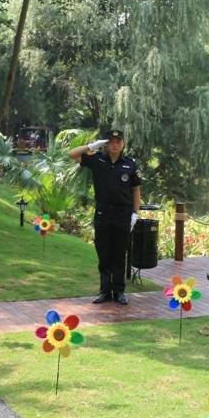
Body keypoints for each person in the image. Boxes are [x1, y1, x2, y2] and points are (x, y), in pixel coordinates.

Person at [69, 129, 142, 305]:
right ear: (106, 144)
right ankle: (104, 291)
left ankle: (119, 292)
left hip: (123, 214)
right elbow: (72, 154)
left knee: (119, 253)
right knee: (104, 253)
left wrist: (135, 213)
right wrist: (90, 146)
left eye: (118, 141)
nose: (115, 145)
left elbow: (136, 190)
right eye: (111, 142)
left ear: (123, 144)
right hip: (103, 213)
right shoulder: (97, 160)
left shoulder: (130, 164)